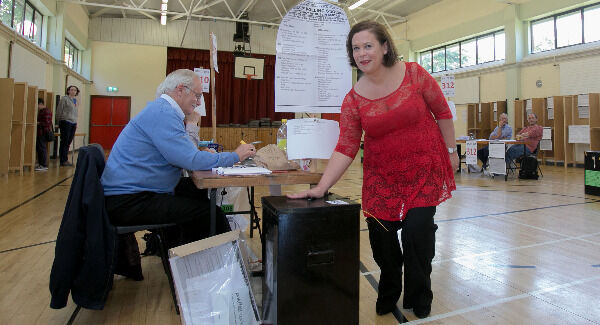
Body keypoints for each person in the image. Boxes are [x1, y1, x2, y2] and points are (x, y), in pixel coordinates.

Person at [288, 21, 457, 319]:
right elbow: (345, 147)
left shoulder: (415, 75)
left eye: (368, 46)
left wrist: (451, 150)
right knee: (382, 240)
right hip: (382, 177)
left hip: (424, 167)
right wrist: (321, 187)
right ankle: (390, 287)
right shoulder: (353, 100)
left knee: (417, 233)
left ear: (385, 47)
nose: (362, 53)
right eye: (356, 48)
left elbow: (442, 111)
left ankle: (420, 292)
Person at [101, 69, 256, 246]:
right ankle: (217, 267)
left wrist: (199, 155)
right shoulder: (163, 113)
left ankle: (187, 256)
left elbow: (186, 155)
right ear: (180, 89)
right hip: (129, 201)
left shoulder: (162, 110)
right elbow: (191, 160)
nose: (198, 102)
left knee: (197, 192)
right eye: (197, 96)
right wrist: (235, 155)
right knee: (210, 214)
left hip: (135, 192)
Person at [55, 85, 80, 167]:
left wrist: (76, 122)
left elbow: (75, 113)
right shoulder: (64, 99)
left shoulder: (75, 100)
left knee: (68, 142)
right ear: (68, 91)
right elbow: (59, 111)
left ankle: (65, 159)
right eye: (72, 90)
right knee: (64, 141)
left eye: (75, 90)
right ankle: (63, 160)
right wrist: (58, 122)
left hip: (73, 122)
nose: (73, 91)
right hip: (65, 121)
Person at [35, 98, 52, 171]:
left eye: (37, 105)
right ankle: (41, 164)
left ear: (41, 104)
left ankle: (43, 165)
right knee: (40, 148)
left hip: (43, 132)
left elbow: (47, 123)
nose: (37, 107)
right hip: (40, 132)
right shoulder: (42, 111)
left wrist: (38, 123)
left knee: (42, 148)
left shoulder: (46, 111)